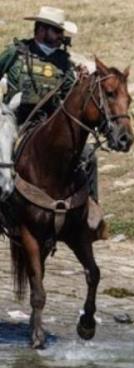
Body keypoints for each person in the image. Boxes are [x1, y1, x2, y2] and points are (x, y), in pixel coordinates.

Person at [0, 7, 101, 218]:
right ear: (42, 30)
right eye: (56, 31)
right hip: (16, 119)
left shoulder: (64, 61)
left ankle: (91, 209)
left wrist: (80, 84)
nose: (60, 37)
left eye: (60, 32)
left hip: (50, 123)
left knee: (88, 155)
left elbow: (69, 96)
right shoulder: (15, 53)